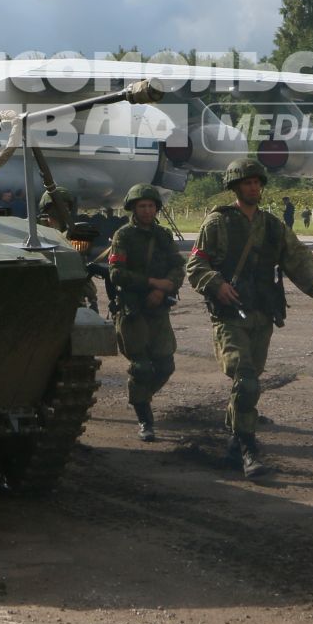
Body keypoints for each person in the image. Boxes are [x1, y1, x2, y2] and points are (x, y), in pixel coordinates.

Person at [185, 158, 313, 477]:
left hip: (262, 314)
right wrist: (216, 285)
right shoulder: (217, 223)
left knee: (250, 382)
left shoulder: (273, 226)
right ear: (235, 187)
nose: (254, 187)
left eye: (258, 182)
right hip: (229, 316)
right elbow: (195, 266)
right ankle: (248, 450)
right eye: (247, 183)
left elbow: (302, 264)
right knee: (245, 381)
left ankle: (234, 442)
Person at [106, 183, 184, 442]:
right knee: (141, 367)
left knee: (165, 364)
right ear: (134, 208)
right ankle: (145, 420)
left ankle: (141, 398)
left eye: (151, 205)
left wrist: (164, 290)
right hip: (133, 308)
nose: (147, 210)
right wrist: (152, 283)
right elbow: (117, 273)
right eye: (142, 206)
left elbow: (177, 267)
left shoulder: (163, 235)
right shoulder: (123, 236)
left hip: (159, 308)